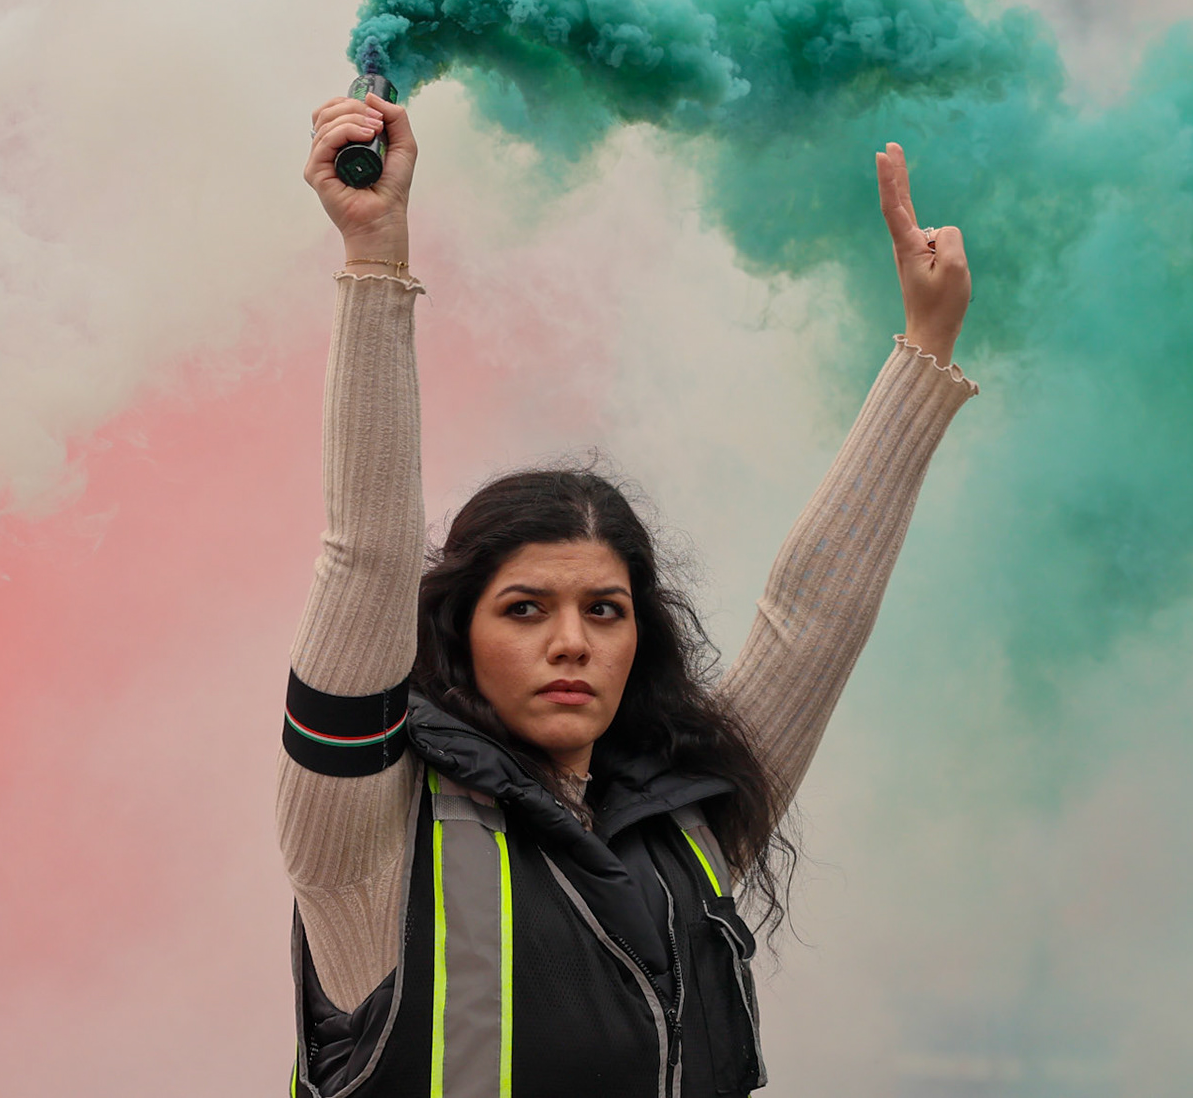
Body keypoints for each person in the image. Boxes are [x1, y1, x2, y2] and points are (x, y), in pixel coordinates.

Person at [279, 90, 977, 1098]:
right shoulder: (366, 831)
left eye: (604, 609)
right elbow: (368, 557)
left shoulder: (685, 825)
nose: (573, 640)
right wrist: (375, 255)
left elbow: (808, 623)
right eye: (524, 608)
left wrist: (926, 348)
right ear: (454, 632)